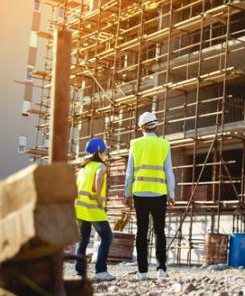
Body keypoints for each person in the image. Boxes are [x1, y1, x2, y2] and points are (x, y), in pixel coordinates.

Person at [124, 111, 175, 280]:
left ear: (141, 128)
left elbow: (129, 173)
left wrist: (127, 193)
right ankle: (161, 269)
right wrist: (171, 192)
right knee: (159, 231)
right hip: (159, 193)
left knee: (141, 231)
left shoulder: (135, 144)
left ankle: (142, 271)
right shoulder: (164, 144)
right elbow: (169, 171)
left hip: (139, 193)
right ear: (156, 125)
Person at [74, 138, 115, 281]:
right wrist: (98, 196)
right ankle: (101, 271)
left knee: (83, 239)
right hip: (93, 208)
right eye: (104, 151)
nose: (105, 153)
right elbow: (98, 178)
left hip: (80, 208)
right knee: (107, 237)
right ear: (99, 151)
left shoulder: (84, 168)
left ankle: (79, 272)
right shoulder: (100, 167)